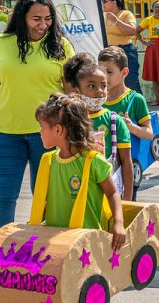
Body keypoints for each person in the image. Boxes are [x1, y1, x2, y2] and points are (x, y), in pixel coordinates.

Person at [0, 0, 74, 233]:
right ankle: (0, 257)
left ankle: (48, 256)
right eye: (36, 19)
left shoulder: (62, 46)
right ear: (22, 17)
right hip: (6, 133)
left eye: (48, 19)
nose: (43, 25)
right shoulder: (3, 44)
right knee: (4, 197)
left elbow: (70, 95)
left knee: (47, 199)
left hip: (49, 136)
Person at [29, 94, 126, 250]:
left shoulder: (93, 161)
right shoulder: (48, 161)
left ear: (58, 129)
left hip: (88, 244)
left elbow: (112, 193)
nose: (40, 132)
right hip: (57, 243)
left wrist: (119, 223)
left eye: (42, 127)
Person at [63, 53, 134, 201]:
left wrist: (127, 197)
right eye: (91, 86)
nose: (100, 91)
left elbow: (126, 161)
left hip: (108, 193)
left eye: (104, 85)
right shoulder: (69, 119)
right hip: (74, 192)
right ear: (77, 90)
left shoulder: (114, 121)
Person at [99, 46, 152, 200]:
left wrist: (131, 127)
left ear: (124, 73)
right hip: (102, 166)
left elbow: (148, 133)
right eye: (101, 71)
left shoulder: (135, 99)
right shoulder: (97, 100)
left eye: (109, 72)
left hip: (128, 166)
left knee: (127, 206)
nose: (104, 77)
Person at [102, 0, 141, 93]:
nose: (103, 3)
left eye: (105, 1)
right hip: (108, 52)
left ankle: (138, 106)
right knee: (109, 82)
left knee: (131, 82)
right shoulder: (103, 16)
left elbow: (133, 31)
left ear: (114, 3)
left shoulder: (126, 14)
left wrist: (116, 21)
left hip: (125, 51)